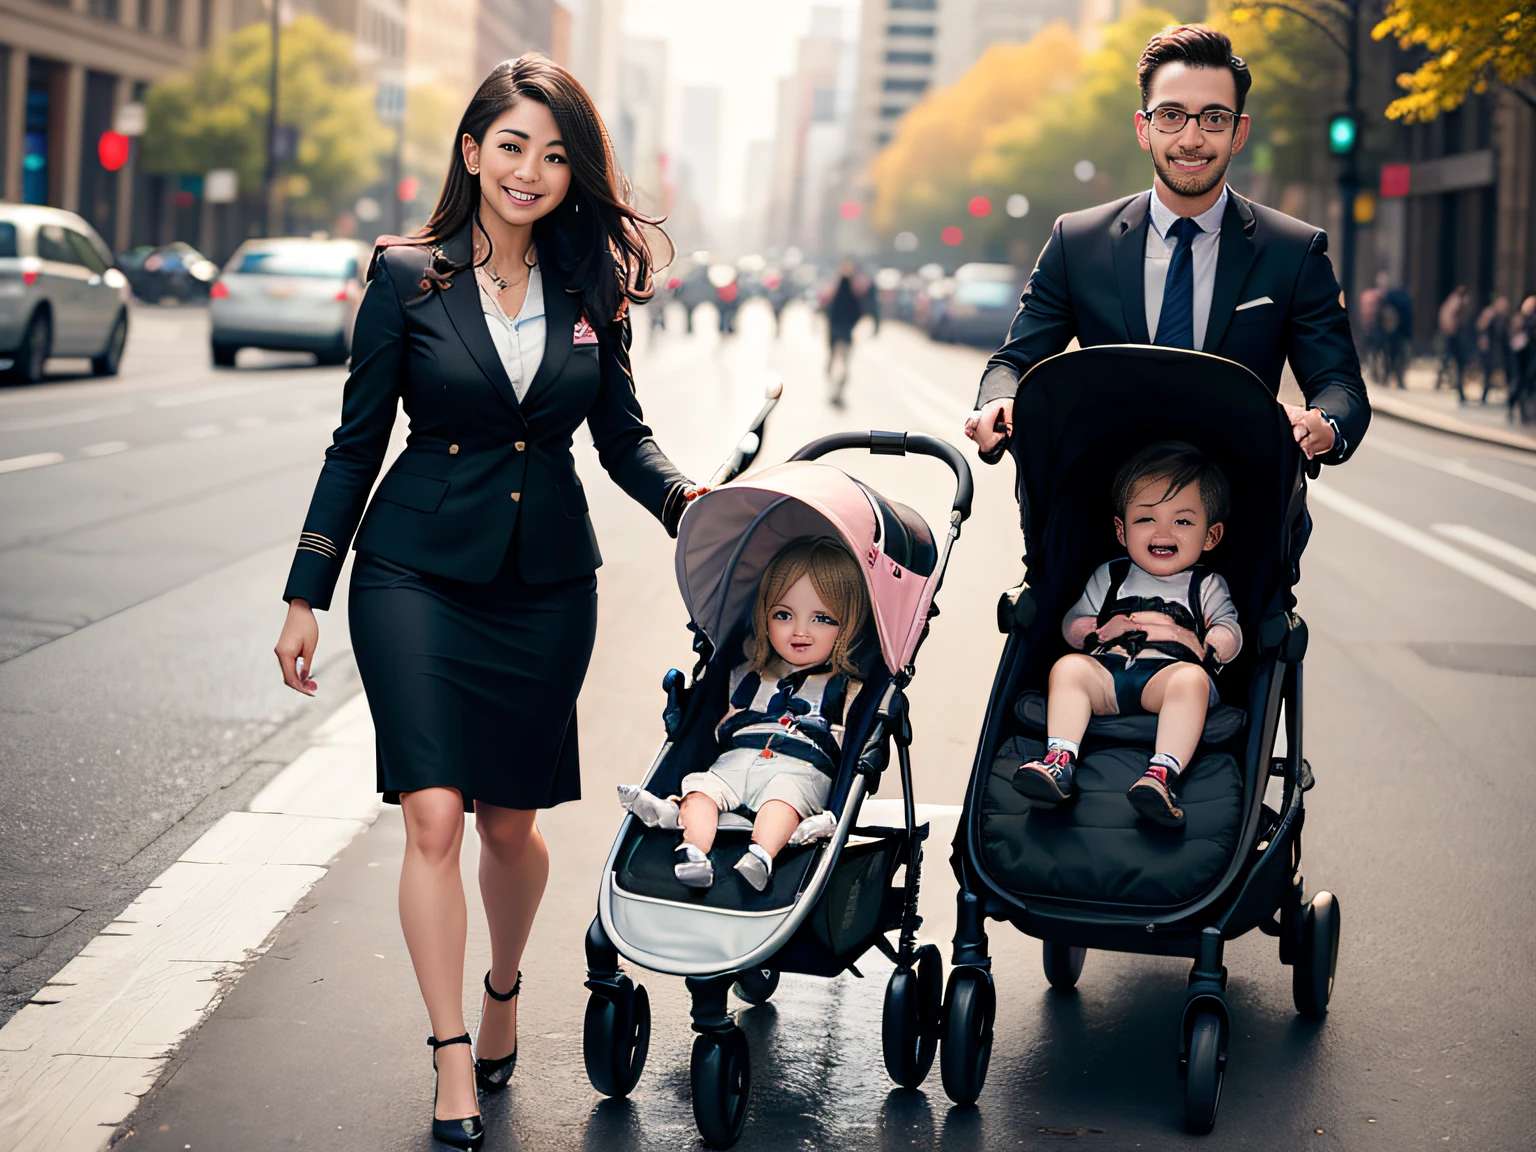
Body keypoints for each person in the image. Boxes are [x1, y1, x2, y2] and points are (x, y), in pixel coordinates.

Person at [271, 55, 701, 1150]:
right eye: (511, 145)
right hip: (412, 570)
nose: (531, 170)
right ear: (471, 151)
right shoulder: (405, 277)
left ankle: (505, 984)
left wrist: (688, 500)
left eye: (556, 155)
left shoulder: (592, 286)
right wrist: (305, 590)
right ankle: (451, 1052)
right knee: (432, 816)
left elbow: (622, 437)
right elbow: (355, 442)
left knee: (510, 825)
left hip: (546, 582)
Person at [964, 24, 1368, 471]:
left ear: (1238, 133)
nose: (1191, 139)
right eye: (1172, 115)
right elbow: (1014, 360)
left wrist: (1325, 423)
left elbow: (1340, 384)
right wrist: (1000, 398)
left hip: (1238, 505)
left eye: (1214, 118)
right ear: (1144, 128)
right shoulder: (1076, 242)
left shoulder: (1293, 251)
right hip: (1101, 503)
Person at [1011, 443, 1241, 829]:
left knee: (1191, 680)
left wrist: (1205, 644)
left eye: (1183, 522)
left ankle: (1162, 773)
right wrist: (1097, 631)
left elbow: (1228, 628)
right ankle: (1059, 760)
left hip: (1165, 678)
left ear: (1210, 536)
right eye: (1146, 520)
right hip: (1107, 674)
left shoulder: (1206, 584)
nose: (1163, 532)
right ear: (1121, 530)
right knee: (1069, 669)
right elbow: (1074, 622)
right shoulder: (1110, 576)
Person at [617, 540, 868, 891]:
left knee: (783, 801)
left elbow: (853, 737)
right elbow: (721, 721)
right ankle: (692, 849)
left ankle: (761, 855)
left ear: (848, 626)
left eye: (822, 619)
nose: (800, 631)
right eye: (783, 615)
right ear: (763, 617)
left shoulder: (846, 687)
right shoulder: (748, 671)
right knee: (702, 790)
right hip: (738, 758)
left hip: (799, 767)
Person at [825, 260, 865, 407]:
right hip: (846, 333)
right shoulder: (854, 297)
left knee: (833, 360)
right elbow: (860, 312)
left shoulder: (836, 296)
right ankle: (838, 388)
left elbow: (829, 313)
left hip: (835, 333)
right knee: (845, 363)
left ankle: (833, 387)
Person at [1436, 285, 1471, 400]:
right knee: (1455, 361)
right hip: (1456, 337)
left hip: (1454, 336)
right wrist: (1452, 329)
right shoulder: (1457, 301)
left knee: (1448, 360)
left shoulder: (1452, 301)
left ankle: (1444, 382)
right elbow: (1448, 317)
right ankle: (1456, 388)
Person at [1475, 296, 1510, 404]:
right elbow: (1481, 327)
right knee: (1488, 372)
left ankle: (1508, 396)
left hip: (1500, 348)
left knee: (1505, 371)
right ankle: (1484, 396)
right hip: (1490, 348)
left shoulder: (1504, 317)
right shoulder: (1490, 314)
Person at [1510, 295, 1536, 425]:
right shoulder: (1522, 320)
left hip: (1530, 359)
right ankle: (1515, 409)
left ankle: (1526, 414)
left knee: (1527, 385)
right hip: (1521, 358)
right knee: (1520, 384)